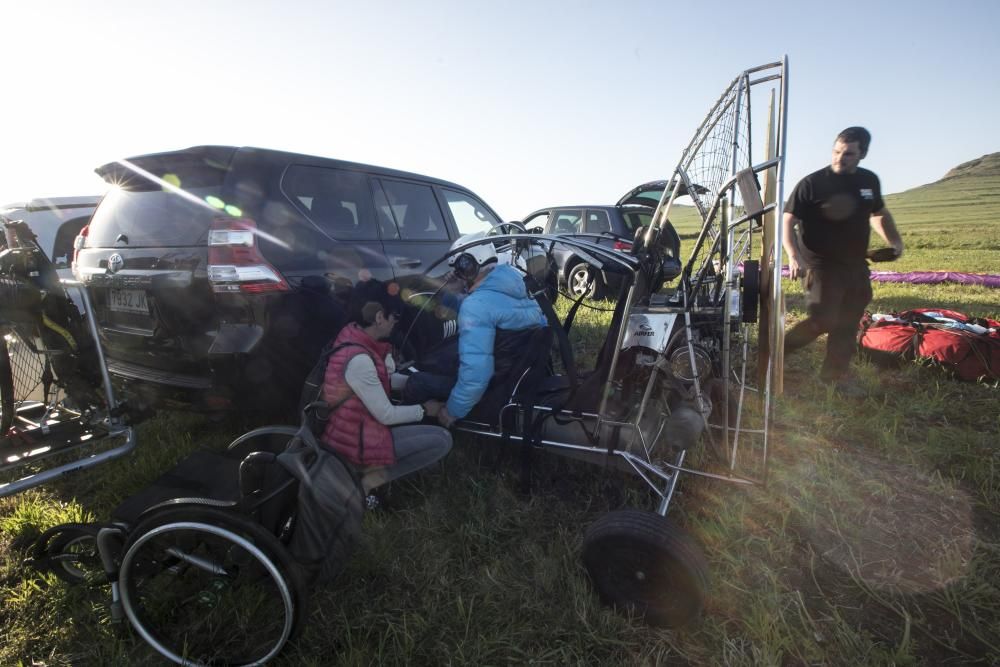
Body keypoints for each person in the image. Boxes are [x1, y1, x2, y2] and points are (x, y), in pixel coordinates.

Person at [782, 126, 904, 389]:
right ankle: (778, 351)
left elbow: (879, 214)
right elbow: (788, 220)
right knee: (822, 319)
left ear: (863, 154)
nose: (839, 158)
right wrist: (794, 256)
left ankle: (834, 377)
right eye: (836, 151)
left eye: (848, 154)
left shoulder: (869, 181)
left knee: (848, 321)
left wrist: (894, 242)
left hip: (855, 263)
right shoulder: (812, 183)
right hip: (820, 264)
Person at [403, 233, 548, 427]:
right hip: (520, 377)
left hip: (494, 389)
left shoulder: (476, 306)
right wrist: (455, 289)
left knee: (416, 382)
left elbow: (476, 375)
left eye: (458, 269)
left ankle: (426, 433)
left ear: (468, 265)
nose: (456, 275)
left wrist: (452, 410)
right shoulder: (520, 285)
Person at [321, 279, 452, 493]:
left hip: (353, 433)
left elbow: (376, 381)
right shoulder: (360, 360)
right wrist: (426, 409)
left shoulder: (352, 335)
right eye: (395, 317)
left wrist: (415, 381)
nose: (395, 323)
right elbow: (386, 415)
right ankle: (365, 484)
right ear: (380, 317)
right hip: (355, 448)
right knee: (441, 440)